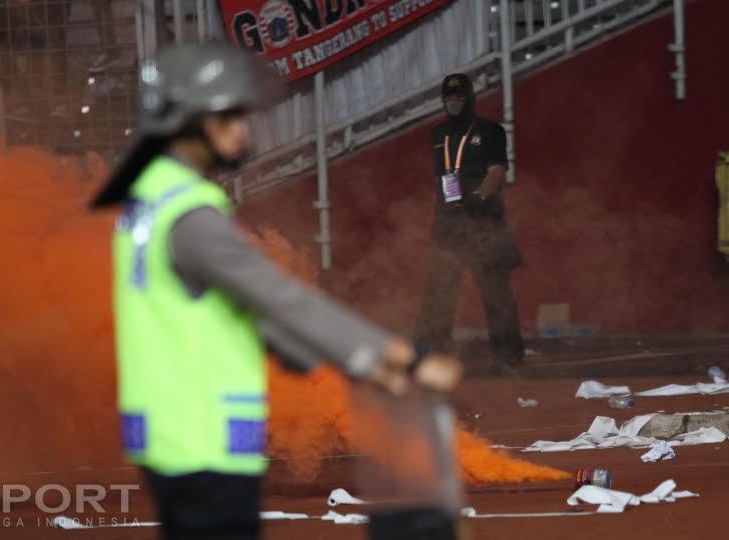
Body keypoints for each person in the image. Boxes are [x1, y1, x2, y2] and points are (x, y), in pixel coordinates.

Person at [93, 41, 462, 540]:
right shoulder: (191, 214)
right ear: (187, 121)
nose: (243, 130)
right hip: (205, 442)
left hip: (168, 437)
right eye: (227, 116)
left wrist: (290, 349)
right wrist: (396, 357)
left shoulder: (149, 199)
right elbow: (278, 295)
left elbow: (220, 303)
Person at [415, 73, 526, 368]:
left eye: (458, 98)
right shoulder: (437, 135)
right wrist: (439, 211)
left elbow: (498, 170)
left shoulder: (490, 131)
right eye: (448, 99)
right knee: (439, 293)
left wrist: (481, 195)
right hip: (449, 223)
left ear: (469, 99)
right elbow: (441, 176)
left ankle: (509, 356)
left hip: (483, 223)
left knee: (495, 292)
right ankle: (431, 355)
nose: (453, 103)